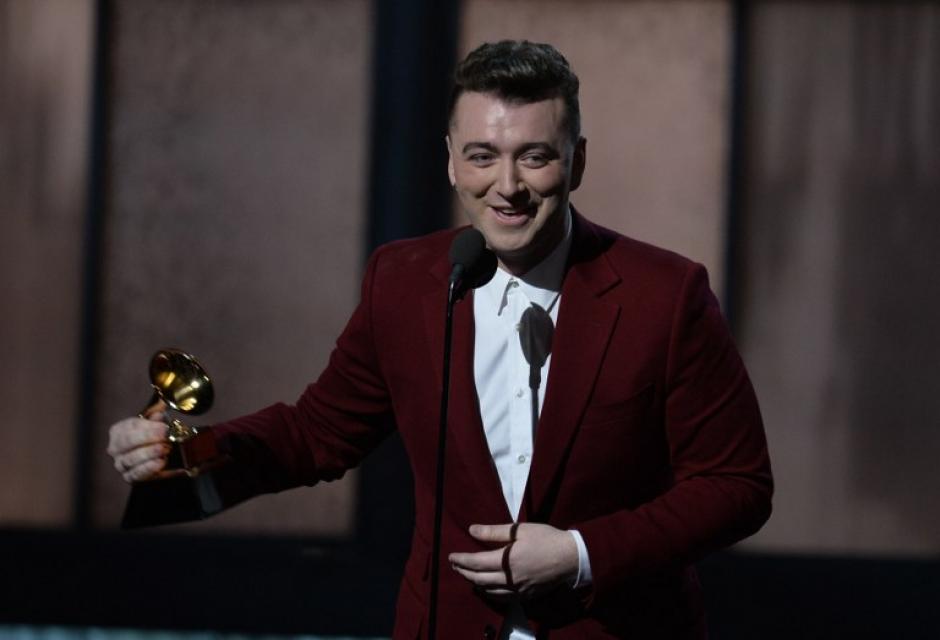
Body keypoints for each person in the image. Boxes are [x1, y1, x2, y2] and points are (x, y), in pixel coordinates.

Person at [108, 40, 772, 639]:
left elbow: (736, 484)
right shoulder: (403, 281)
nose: (507, 187)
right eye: (483, 156)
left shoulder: (665, 294)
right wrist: (193, 451)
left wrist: (578, 554)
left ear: (577, 162)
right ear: (451, 162)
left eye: (534, 156)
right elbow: (318, 434)